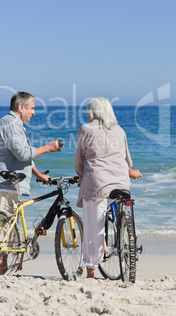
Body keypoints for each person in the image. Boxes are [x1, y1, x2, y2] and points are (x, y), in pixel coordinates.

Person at [0, 91, 63, 275]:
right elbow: (23, 154)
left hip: (11, 184)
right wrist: (48, 148)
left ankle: (3, 274)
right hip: (3, 184)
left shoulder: (14, 124)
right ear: (21, 107)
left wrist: (38, 174)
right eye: (32, 108)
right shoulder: (10, 123)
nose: (34, 113)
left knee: (10, 234)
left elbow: (22, 155)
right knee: (2, 234)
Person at [75, 97, 142, 279]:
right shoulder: (119, 130)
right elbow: (127, 160)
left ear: (93, 113)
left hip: (97, 184)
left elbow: (80, 160)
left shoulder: (85, 129)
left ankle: (90, 271)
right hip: (121, 182)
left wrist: (81, 175)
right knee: (114, 207)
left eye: (89, 111)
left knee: (92, 227)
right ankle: (114, 239)